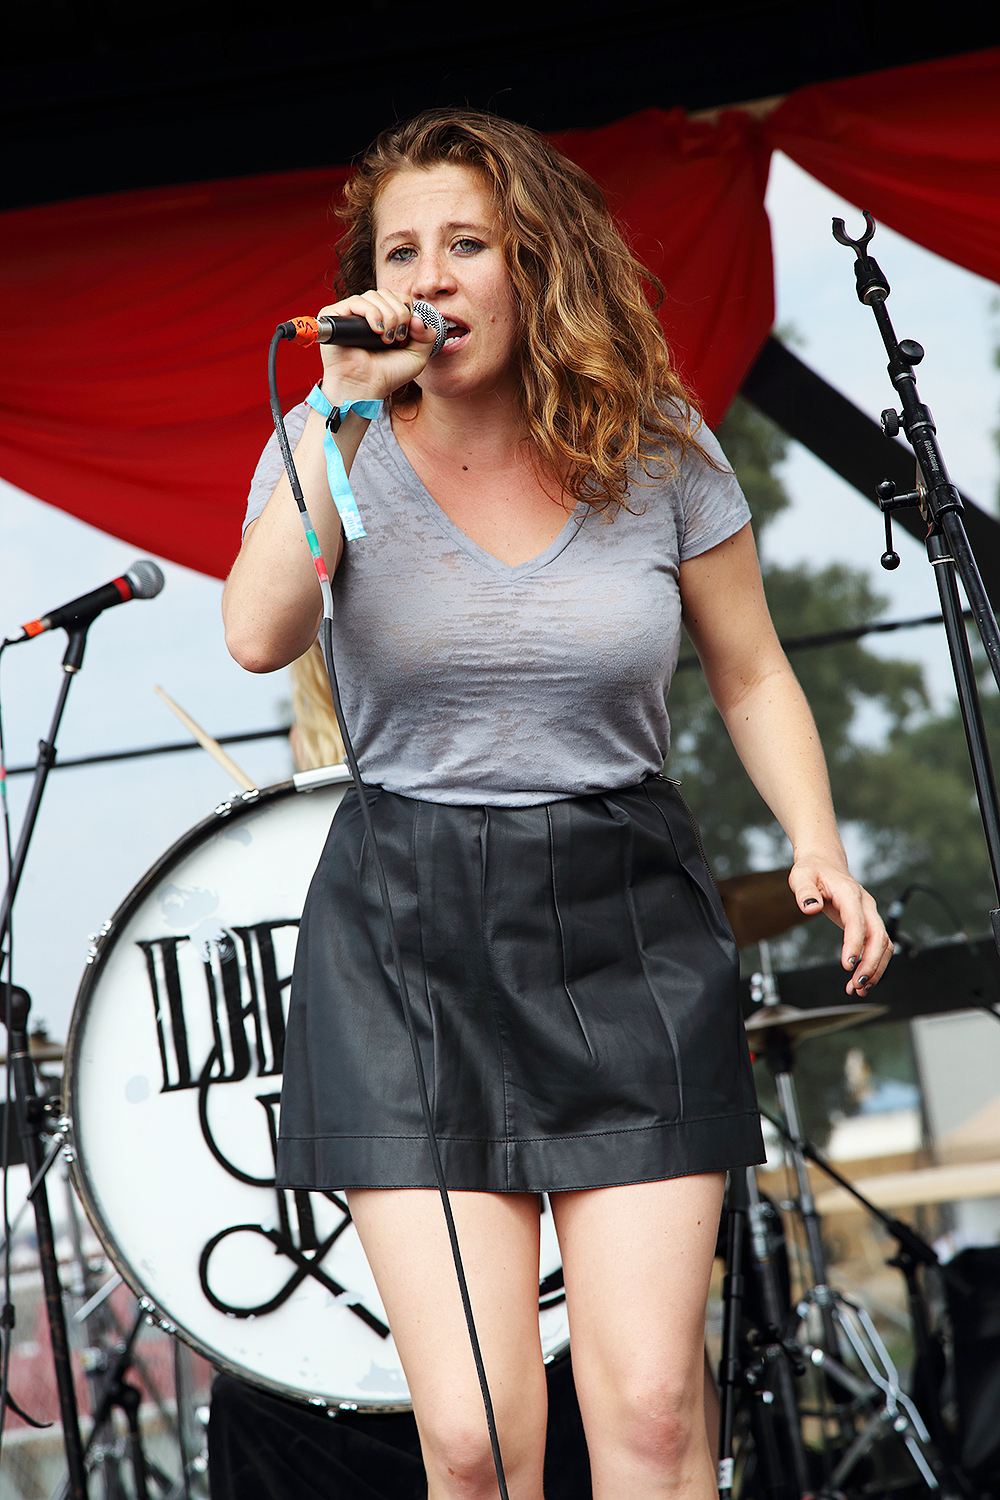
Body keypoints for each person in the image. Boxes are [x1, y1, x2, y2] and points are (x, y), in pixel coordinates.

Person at [222, 109, 891, 1500]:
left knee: (648, 1411)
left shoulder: (657, 450)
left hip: (624, 915)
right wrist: (341, 408)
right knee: (472, 1441)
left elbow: (754, 670)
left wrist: (817, 844)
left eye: (467, 242)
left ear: (534, 263)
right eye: (403, 248)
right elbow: (256, 631)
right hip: (408, 932)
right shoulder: (327, 440)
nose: (432, 272)